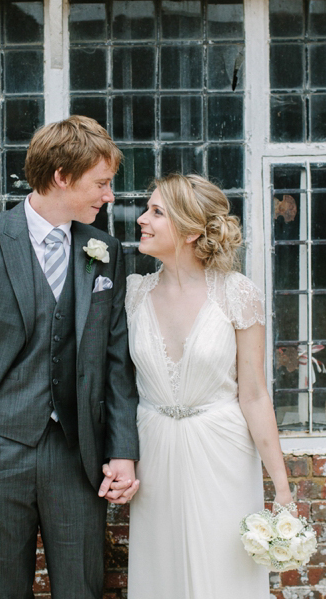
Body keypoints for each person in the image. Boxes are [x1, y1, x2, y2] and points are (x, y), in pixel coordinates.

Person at [0, 115, 140, 599]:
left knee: (83, 589)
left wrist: (122, 450)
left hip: (76, 453)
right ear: (62, 175)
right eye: (101, 183)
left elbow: (116, 361)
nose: (109, 196)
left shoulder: (104, 249)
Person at [123, 173, 294, 599]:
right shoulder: (133, 295)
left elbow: (253, 394)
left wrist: (283, 489)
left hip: (223, 452)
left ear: (191, 230)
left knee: (225, 576)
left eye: (157, 212)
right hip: (154, 452)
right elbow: (118, 387)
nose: (142, 219)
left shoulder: (237, 294)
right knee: (161, 575)